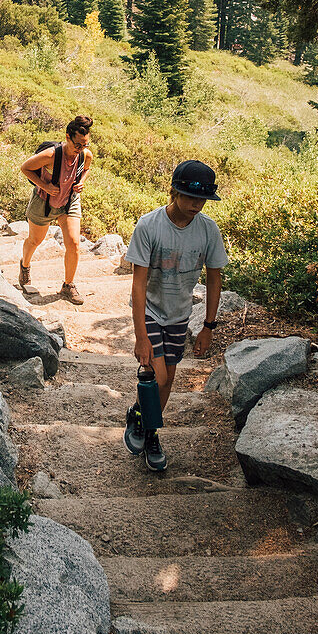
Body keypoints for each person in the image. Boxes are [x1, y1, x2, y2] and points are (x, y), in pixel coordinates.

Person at [123, 159, 228, 472]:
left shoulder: (208, 230)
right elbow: (138, 283)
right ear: (174, 191)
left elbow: (214, 277)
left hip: (180, 314)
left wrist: (208, 325)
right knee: (160, 376)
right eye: (190, 197)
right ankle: (145, 421)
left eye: (202, 200)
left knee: (168, 382)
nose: (196, 205)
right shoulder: (149, 226)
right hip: (152, 310)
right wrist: (141, 336)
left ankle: (145, 425)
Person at [18, 115, 94, 305]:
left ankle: (68, 285)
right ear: (68, 137)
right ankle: (25, 265)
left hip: (69, 201)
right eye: (78, 145)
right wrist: (44, 185)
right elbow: (25, 168)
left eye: (85, 144)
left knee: (74, 244)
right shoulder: (51, 155)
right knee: (35, 240)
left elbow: (85, 169)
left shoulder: (86, 154)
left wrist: (81, 182)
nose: (81, 149)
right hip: (44, 202)